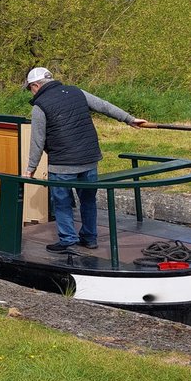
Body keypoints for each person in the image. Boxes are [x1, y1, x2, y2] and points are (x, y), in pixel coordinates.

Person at [23, 67, 147, 252]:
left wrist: (30, 168)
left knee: (62, 202)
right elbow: (104, 106)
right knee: (88, 200)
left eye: (29, 88)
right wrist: (129, 119)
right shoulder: (76, 92)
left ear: (35, 85)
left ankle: (67, 240)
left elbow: (37, 140)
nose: (30, 92)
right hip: (89, 160)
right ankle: (89, 238)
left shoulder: (40, 106)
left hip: (62, 164)